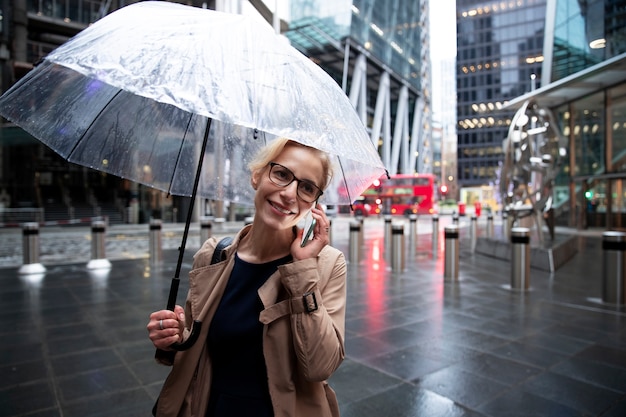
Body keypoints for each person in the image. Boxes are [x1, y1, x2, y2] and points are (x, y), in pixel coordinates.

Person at [147, 138, 347, 417]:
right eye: (281, 174)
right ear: (257, 175)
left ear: (314, 204)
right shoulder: (213, 254)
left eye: (307, 188)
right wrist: (176, 336)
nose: (290, 194)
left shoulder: (327, 264)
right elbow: (194, 344)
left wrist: (303, 270)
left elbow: (320, 366)